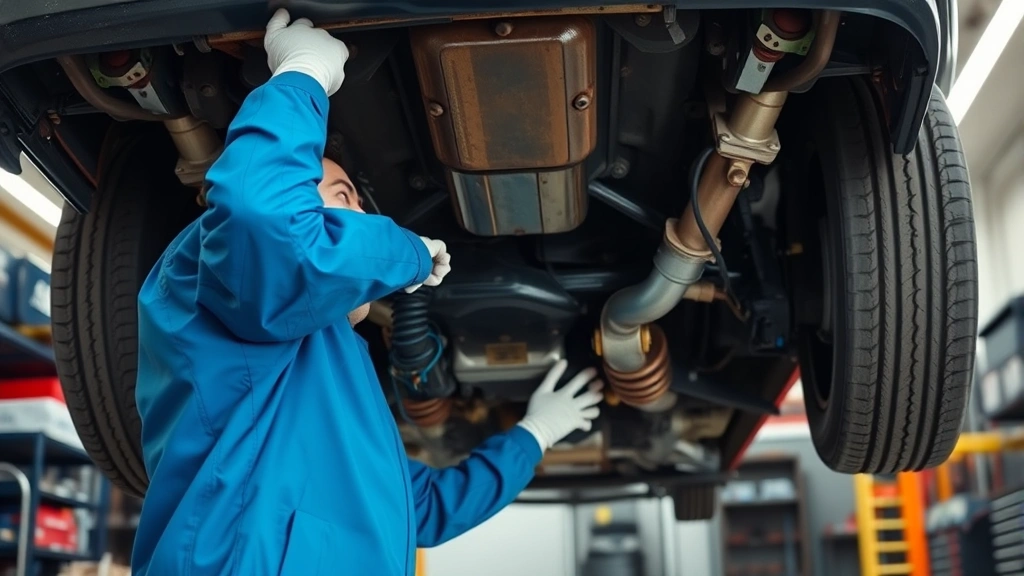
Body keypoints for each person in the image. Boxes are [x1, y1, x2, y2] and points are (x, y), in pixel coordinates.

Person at [131, 9, 604, 576]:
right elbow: (270, 221)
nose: (358, 212)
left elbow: (418, 508)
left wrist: (532, 436)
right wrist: (302, 75)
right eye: (340, 195)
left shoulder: (315, 362)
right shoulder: (220, 275)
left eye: (353, 197)